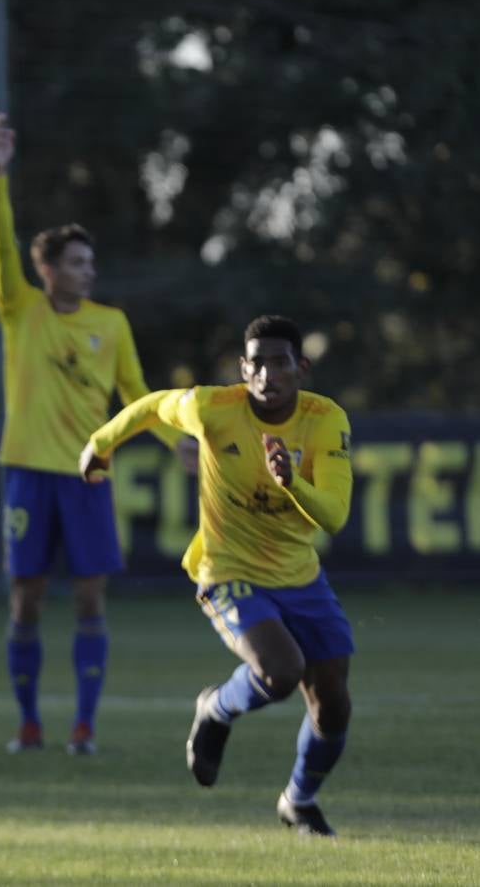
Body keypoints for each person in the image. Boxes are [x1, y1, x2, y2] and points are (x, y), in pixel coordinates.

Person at [79, 314, 354, 836]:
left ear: (302, 367)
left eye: (280, 362)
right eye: (257, 364)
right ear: (243, 369)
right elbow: (153, 404)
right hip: (226, 569)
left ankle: (298, 800)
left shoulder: (325, 420)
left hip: (300, 575)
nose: (268, 375)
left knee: (334, 703)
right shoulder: (214, 408)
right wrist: (102, 441)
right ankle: (217, 708)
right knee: (280, 671)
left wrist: (291, 481)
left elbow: (335, 515)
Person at [0, 112, 197, 755]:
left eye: (91, 262)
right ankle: (28, 723)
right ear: (45, 269)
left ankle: (84, 726)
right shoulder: (21, 310)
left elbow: (138, 396)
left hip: (88, 473)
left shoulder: (113, 321)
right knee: (25, 604)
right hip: (26, 472)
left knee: (89, 601)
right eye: (76, 262)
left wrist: (175, 439)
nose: (88, 271)